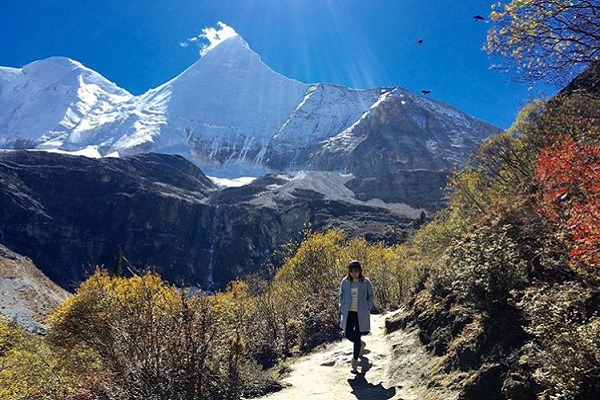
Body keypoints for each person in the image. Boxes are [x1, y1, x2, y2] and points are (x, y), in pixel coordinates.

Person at [339, 260, 374, 373]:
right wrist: (341, 306)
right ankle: (360, 345)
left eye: (356, 271)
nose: (354, 274)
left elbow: (371, 295)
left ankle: (354, 362)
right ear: (349, 271)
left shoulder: (365, 282)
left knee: (357, 334)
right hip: (349, 312)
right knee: (349, 334)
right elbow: (341, 295)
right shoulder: (345, 282)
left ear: (360, 271)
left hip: (361, 312)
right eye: (352, 271)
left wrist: (368, 307)